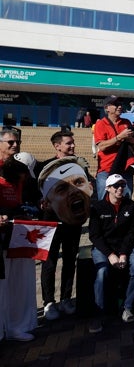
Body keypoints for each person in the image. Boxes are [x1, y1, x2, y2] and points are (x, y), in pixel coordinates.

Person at [88, 174, 134, 333]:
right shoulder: (97, 207)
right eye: (116, 186)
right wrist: (110, 254)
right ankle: (97, 315)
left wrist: (124, 253)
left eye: (122, 185)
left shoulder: (131, 206)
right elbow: (94, 236)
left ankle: (127, 307)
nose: (120, 188)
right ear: (107, 188)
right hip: (104, 249)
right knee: (101, 274)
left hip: (125, 248)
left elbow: (131, 233)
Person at [38, 154, 93, 321]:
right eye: (68, 143)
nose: (72, 146)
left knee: (70, 260)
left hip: (72, 225)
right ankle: (49, 302)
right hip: (49, 224)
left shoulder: (78, 164)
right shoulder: (45, 165)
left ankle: (66, 298)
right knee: (49, 263)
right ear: (57, 146)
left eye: (77, 183)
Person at [0, 128, 38, 342]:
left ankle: (16, 326)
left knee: (18, 282)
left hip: (18, 232)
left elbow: (31, 197)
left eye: (17, 142)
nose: (15, 145)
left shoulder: (21, 169)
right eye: (10, 142)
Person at [94, 95, 134, 199]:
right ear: (107, 108)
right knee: (104, 201)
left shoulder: (126, 122)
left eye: (120, 104)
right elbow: (102, 146)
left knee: (126, 200)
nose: (119, 107)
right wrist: (119, 137)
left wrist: (129, 139)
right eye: (115, 104)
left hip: (125, 167)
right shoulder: (101, 124)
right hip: (106, 169)